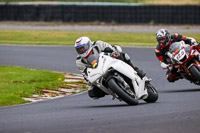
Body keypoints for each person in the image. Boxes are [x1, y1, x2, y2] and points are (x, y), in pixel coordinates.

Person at [75, 36, 148, 99]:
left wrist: (112, 51)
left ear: (88, 45)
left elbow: (112, 48)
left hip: (110, 62)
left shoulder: (98, 44)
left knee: (123, 56)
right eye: (79, 49)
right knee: (92, 92)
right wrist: (90, 81)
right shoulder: (79, 61)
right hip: (99, 74)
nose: (81, 50)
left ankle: (137, 71)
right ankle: (113, 90)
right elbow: (85, 75)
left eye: (83, 48)